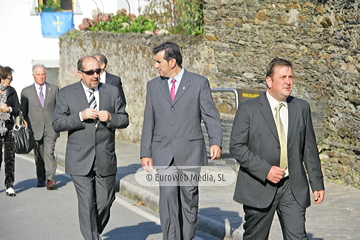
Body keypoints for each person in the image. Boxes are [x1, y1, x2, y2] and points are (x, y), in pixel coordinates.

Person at [229, 58, 325, 239]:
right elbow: (236, 146)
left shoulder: (301, 108)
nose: (288, 82)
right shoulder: (248, 109)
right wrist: (265, 170)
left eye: (290, 77)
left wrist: (317, 183)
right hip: (259, 186)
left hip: (292, 186)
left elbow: (309, 148)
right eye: (283, 77)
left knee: (297, 237)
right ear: (269, 81)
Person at [140, 42, 222, 240]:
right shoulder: (153, 86)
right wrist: (145, 152)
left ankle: (187, 237)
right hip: (163, 152)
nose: (155, 66)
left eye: (159, 62)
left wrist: (215, 141)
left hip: (190, 152)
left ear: (172, 62)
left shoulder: (199, 82)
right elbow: (149, 119)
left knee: (189, 199)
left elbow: (210, 115)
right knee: (167, 197)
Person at [53, 56, 129, 240]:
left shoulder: (112, 91)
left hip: (105, 157)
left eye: (98, 71)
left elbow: (124, 119)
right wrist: (80, 116)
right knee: (86, 204)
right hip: (80, 159)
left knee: (105, 202)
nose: (95, 75)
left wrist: (110, 117)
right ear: (80, 74)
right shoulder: (66, 93)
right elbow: (57, 123)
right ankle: (92, 236)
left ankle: (93, 229)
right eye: (90, 72)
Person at [21, 64, 60, 189]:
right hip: (34, 128)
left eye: (43, 74)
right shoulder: (26, 92)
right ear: (33, 76)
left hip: (50, 127)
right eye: (38, 74)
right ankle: (41, 178)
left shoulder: (53, 89)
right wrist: (25, 123)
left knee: (49, 153)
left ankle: (51, 179)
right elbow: (24, 112)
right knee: (39, 155)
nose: (41, 77)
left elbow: (59, 108)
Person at [0, 66, 20, 196]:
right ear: (1, 79)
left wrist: (10, 109)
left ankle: (9, 185)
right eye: (9, 78)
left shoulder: (12, 91)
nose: (11, 80)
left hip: (9, 129)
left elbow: (18, 109)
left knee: (9, 158)